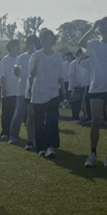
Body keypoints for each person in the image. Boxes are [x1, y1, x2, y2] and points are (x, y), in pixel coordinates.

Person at [78, 17, 107, 168]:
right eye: (103, 25)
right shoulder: (93, 44)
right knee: (95, 121)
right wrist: (93, 27)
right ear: (99, 28)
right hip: (96, 87)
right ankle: (93, 153)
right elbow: (81, 43)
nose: (106, 28)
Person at [29, 29, 65, 158]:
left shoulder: (57, 56)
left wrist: (63, 90)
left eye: (51, 39)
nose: (49, 42)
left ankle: (51, 147)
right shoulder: (36, 55)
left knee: (52, 120)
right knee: (39, 121)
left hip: (53, 93)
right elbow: (32, 75)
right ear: (42, 41)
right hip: (38, 93)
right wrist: (36, 64)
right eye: (46, 39)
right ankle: (41, 147)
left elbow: (61, 76)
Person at [10, 34, 39, 146]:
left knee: (33, 115)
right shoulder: (22, 56)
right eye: (28, 43)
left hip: (36, 89)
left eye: (32, 43)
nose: (30, 45)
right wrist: (16, 69)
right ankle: (13, 136)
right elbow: (16, 69)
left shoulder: (39, 56)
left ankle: (34, 138)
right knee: (19, 113)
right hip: (22, 89)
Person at [0, 39, 20, 140]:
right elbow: (2, 75)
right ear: (11, 47)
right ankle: (5, 132)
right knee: (6, 113)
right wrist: (3, 88)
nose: (18, 47)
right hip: (7, 90)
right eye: (16, 45)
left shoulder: (19, 59)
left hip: (18, 91)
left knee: (15, 114)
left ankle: (13, 133)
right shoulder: (5, 60)